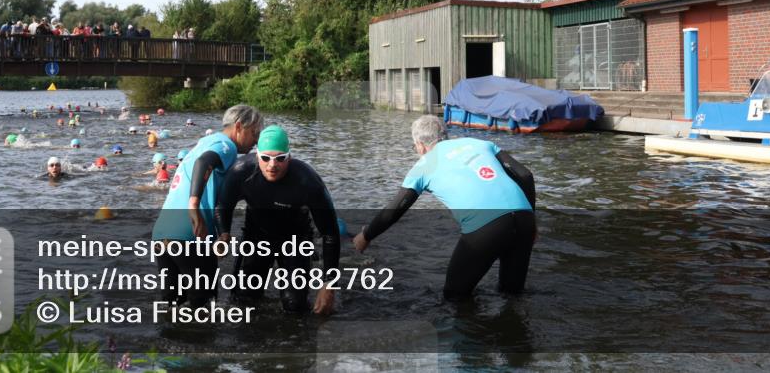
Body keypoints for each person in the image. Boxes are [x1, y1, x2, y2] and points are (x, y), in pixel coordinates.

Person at [353, 115, 536, 301]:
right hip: (525, 218)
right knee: (512, 296)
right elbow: (526, 176)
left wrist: (366, 235)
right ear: (445, 135)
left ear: (420, 145)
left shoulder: (424, 165)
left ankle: (474, 328)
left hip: (486, 226)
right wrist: (532, 221)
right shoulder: (479, 143)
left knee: (454, 296)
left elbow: (395, 209)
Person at [216, 125, 339, 315]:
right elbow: (223, 205)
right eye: (266, 158)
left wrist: (329, 284)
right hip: (256, 236)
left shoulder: (307, 180)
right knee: (243, 301)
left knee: (294, 306)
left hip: (295, 239)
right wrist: (224, 233)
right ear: (257, 155)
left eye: (280, 158)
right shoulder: (241, 171)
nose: (272, 165)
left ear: (289, 157)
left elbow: (330, 233)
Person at [151, 104, 264, 308]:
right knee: (202, 306)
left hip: (163, 232)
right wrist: (193, 207)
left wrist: (222, 233)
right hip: (191, 233)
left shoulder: (205, 142)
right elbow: (204, 162)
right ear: (239, 126)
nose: (256, 141)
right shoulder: (226, 146)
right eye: (255, 133)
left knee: (172, 305)